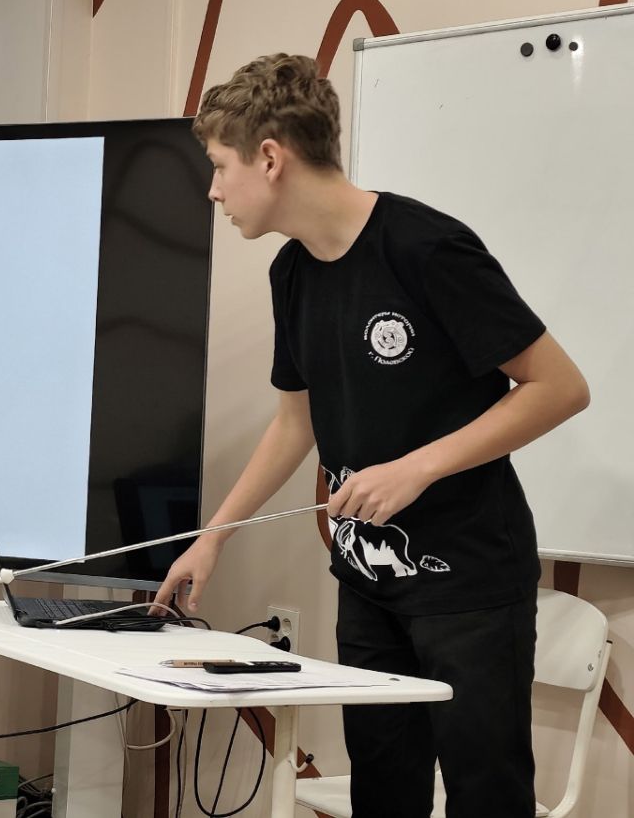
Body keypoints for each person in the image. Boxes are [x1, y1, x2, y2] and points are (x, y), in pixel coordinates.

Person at [153, 53, 590, 818]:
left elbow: (560, 387)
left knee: (487, 796)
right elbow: (295, 423)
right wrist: (212, 538)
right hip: (367, 583)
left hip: (468, 582)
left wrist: (417, 468)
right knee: (384, 794)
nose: (214, 190)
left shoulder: (425, 247)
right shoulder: (291, 274)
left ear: (270, 158)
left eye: (220, 166)